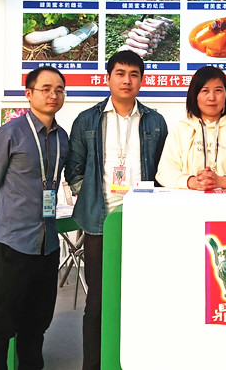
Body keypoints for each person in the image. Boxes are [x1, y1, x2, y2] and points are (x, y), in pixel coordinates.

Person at [65, 49, 167, 370]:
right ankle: (93, 365)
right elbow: (74, 168)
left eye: (134, 75)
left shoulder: (155, 121)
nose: (127, 80)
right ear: (108, 78)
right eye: (120, 74)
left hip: (143, 222)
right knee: (97, 300)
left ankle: (138, 360)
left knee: (142, 295)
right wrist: (89, 197)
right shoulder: (87, 120)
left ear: (142, 80)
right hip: (101, 222)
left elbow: (164, 171)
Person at [0, 66, 69, 370]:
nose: (53, 95)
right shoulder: (9, 134)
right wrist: (7, 221)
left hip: (47, 245)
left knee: (37, 323)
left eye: (59, 89)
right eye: (46, 89)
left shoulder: (62, 138)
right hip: (12, 244)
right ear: (29, 94)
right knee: (2, 322)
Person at [156, 65, 226, 190]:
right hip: (186, 201)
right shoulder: (180, 130)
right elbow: (164, 173)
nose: (212, 97)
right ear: (195, 95)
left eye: (218, 90)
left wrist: (222, 181)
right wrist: (192, 182)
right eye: (205, 91)